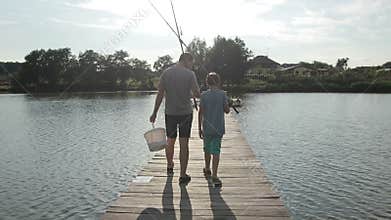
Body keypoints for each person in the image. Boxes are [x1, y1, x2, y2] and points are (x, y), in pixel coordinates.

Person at [149, 53, 201, 184]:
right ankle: (183, 175)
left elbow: (160, 94)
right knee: (184, 143)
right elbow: (197, 93)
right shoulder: (190, 74)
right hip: (185, 114)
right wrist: (191, 93)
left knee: (170, 140)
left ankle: (170, 165)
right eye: (191, 63)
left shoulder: (166, 73)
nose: (192, 65)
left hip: (170, 113)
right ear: (187, 61)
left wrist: (154, 112)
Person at [198, 72, 230, 186]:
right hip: (218, 128)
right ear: (219, 82)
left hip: (207, 128)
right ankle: (215, 175)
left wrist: (199, 128)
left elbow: (200, 112)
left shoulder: (203, 95)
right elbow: (226, 110)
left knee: (207, 149)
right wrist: (227, 102)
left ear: (207, 82)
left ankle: (207, 168)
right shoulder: (222, 94)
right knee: (216, 150)